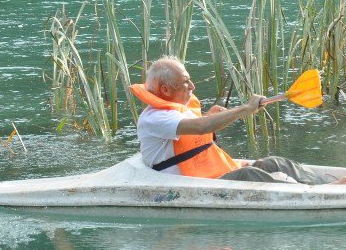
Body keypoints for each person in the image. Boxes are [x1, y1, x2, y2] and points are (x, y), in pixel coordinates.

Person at [131, 56, 325, 184]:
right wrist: (245, 109)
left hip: (209, 175)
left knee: (272, 163)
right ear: (165, 90)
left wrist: (209, 116)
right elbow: (200, 128)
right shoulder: (154, 118)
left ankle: (327, 184)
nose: (192, 85)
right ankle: (313, 193)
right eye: (185, 82)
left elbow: (190, 133)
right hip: (192, 183)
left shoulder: (177, 110)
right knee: (249, 175)